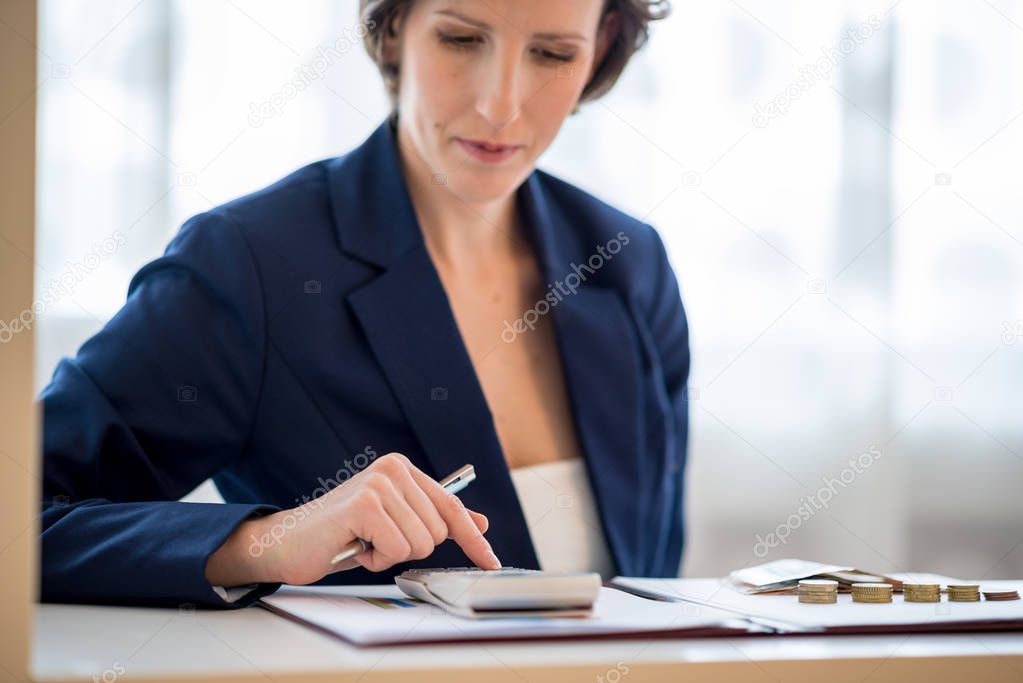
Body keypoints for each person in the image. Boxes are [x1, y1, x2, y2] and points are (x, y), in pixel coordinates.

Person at [39, 0, 689, 608]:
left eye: (552, 54)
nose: (500, 105)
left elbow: (651, 585)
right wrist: (268, 542)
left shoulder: (629, 261)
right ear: (395, 25)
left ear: (600, 49)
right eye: (461, 38)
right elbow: (25, 514)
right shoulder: (250, 263)